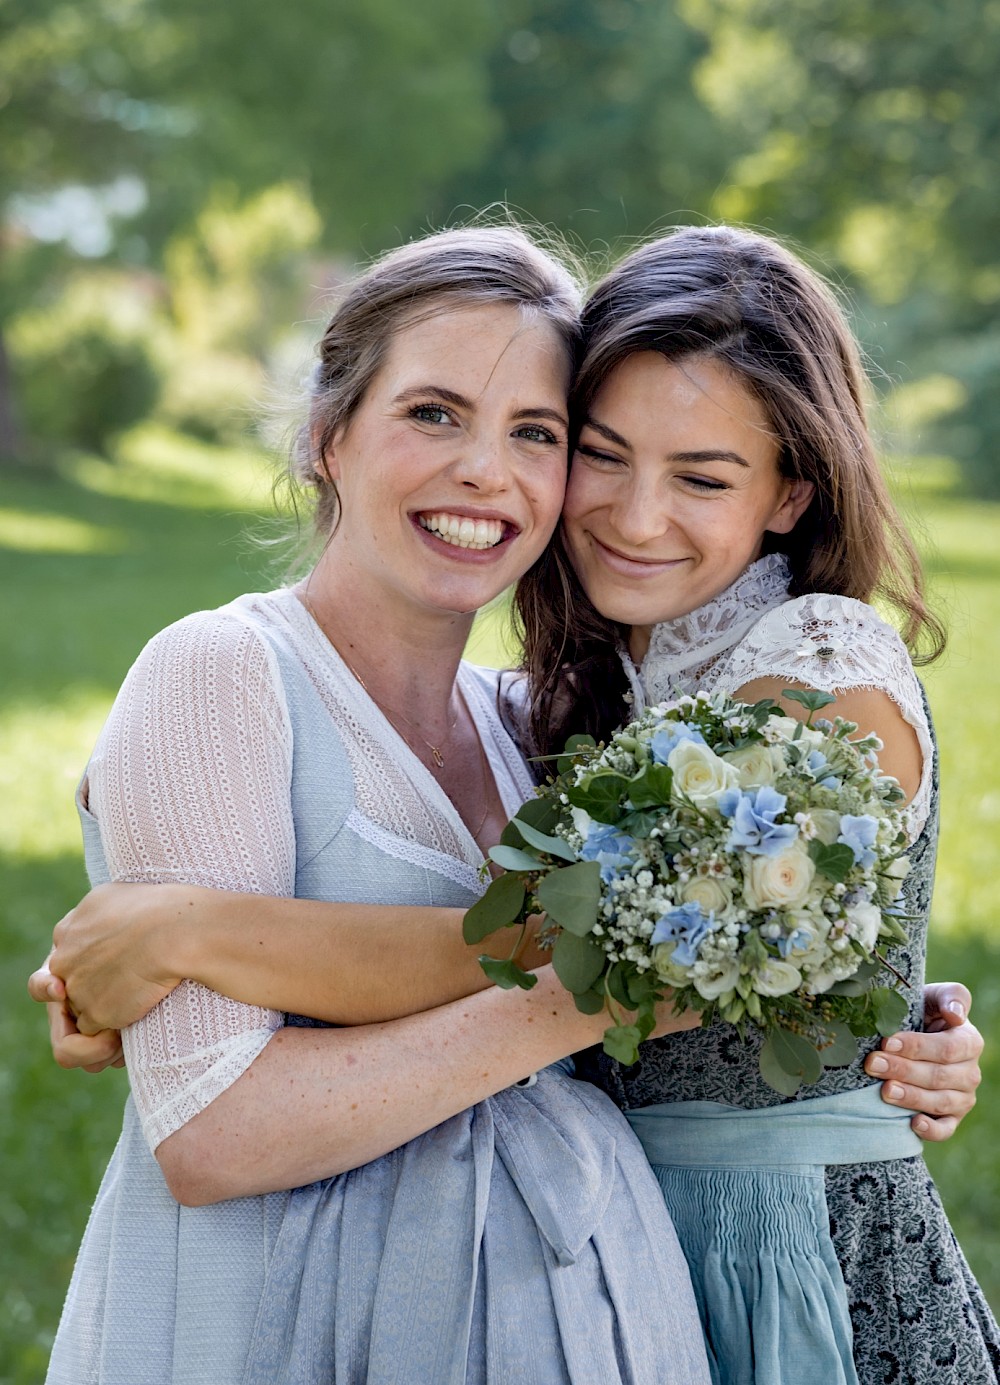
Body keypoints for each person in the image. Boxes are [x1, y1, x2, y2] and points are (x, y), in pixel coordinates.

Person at [32, 224, 984, 1379]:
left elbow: (620, 952)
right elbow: (217, 1126)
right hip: (284, 1314)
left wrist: (192, 930)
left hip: (713, 1280)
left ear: (790, 491)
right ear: (328, 435)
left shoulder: (580, 713)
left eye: (533, 432)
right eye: (435, 413)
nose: (491, 470)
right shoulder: (258, 674)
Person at [513, 224, 1000, 1383]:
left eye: (701, 475)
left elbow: (554, 954)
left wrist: (199, 931)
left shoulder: (820, 660)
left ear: (789, 492)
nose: (634, 517)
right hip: (618, 1238)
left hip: (780, 1258)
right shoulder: (612, 681)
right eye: (602, 452)